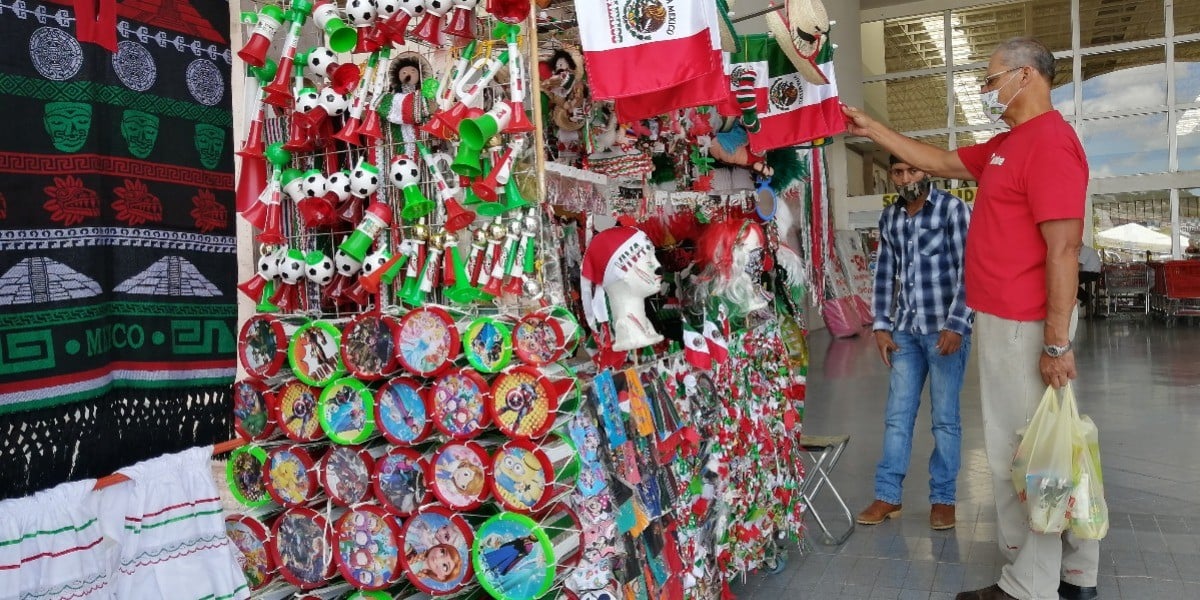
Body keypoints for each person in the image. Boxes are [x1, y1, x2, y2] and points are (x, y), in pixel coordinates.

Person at [842, 37, 1097, 600]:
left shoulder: (1051, 144)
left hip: (1024, 325)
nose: (986, 89)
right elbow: (937, 159)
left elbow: (1063, 250)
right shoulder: (1008, 145)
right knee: (1052, 447)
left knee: (1026, 455)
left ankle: (1029, 584)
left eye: (991, 78)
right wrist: (871, 128)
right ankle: (1075, 571)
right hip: (1009, 323)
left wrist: (1056, 344)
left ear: (1026, 77)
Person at [856, 155, 972, 532]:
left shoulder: (953, 210)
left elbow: (971, 270)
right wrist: (880, 326)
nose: (906, 178)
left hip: (944, 334)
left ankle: (943, 500)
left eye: (913, 170)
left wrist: (957, 324)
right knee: (897, 417)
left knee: (945, 420)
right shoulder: (891, 217)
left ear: (927, 171)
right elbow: (885, 273)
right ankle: (888, 495)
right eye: (898, 172)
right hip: (905, 330)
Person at [1077, 245, 1101, 316]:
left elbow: (1078, 264)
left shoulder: (1084, 250)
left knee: (1070, 283)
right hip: (1091, 273)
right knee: (1070, 283)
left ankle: (1087, 297)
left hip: (1091, 273)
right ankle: (1087, 297)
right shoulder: (1087, 249)